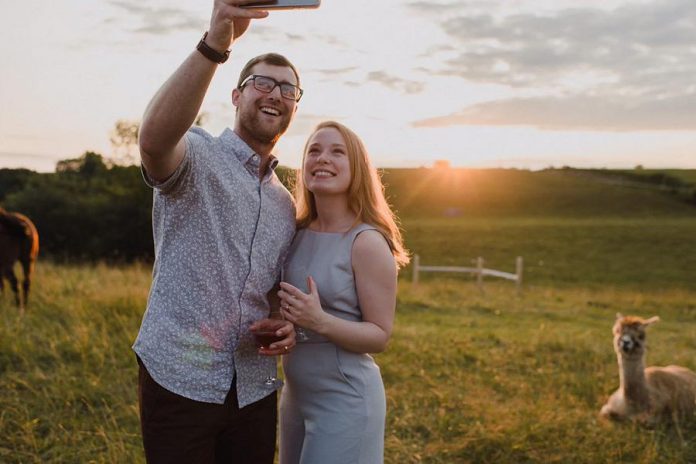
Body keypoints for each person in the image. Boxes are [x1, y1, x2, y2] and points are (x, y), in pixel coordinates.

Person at [132, 1, 301, 462]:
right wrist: (217, 41)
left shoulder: (286, 205)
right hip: (179, 379)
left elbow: (267, 291)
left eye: (289, 89)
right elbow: (152, 140)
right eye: (261, 83)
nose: (275, 94)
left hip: (254, 387)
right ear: (236, 96)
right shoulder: (198, 157)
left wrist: (283, 322)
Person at [277, 121, 410, 463]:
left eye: (338, 152)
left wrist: (319, 321)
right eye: (314, 151)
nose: (323, 159)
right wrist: (288, 327)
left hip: (345, 401)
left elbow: (379, 336)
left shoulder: (365, 242)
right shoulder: (296, 232)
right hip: (294, 397)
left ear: (357, 170)